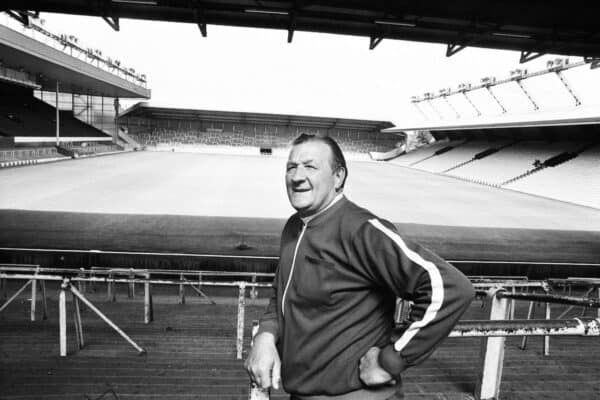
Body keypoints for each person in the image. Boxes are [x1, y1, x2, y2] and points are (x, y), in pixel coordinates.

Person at [245, 134, 475, 400]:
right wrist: (265, 335)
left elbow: (451, 288)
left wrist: (391, 360)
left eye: (310, 166)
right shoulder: (293, 228)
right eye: (291, 167)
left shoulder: (361, 230)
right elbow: (281, 294)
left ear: (338, 176)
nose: (297, 176)